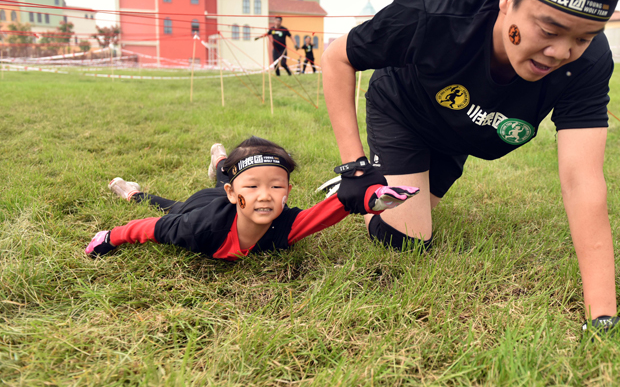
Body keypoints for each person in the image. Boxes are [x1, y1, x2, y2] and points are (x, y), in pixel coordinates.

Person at [321, 0, 620, 335]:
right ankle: (368, 180)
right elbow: (338, 57)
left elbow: (583, 181)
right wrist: (354, 166)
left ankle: (403, 182)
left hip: (458, 135)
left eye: (583, 37)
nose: (561, 52)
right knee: (406, 240)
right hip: (405, 111)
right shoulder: (436, 8)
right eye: (549, 29)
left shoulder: (587, 65)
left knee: (417, 213)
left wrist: (603, 316)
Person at [85, 137, 418, 261]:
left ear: (287, 192)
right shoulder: (198, 228)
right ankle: (133, 190)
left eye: (276, 187)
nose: (265, 196)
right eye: (253, 187)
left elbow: (329, 210)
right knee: (167, 205)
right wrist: (110, 237)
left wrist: (372, 198)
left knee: (229, 181)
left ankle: (221, 160)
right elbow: (151, 228)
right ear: (235, 193)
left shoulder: (283, 225)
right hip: (202, 204)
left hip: (228, 194)